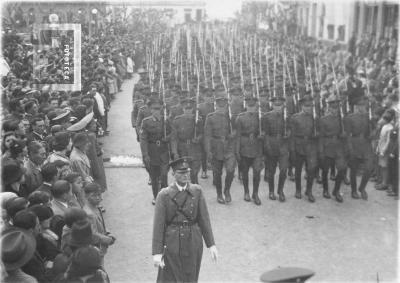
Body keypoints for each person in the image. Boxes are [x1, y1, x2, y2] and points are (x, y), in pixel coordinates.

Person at [152, 157, 218, 283]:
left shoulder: (197, 191)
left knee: (191, 277)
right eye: (181, 173)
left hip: (193, 241)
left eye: (187, 172)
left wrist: (211, 244)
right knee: (172, 277)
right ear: (173, 174)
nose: (185, 175)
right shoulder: (164, 195)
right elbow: (158, 225)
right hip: (173, 242)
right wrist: (157, 252)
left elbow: (204, 219)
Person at [204, 90, 236, 204]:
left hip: (229, 147)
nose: (221, 107)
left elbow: (236, 131)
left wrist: (233, 135)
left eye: (224, 105)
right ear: (216, 105)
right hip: (216, 147)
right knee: (217, 173)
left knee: (231, 170)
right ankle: (219, 194)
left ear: (227, 105)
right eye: (219, 105)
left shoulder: (231, 117)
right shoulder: (210, 117)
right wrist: (208, 151)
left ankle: (227, 190)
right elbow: (207, 136)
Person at [140, 97, 171, 204]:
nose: (156, 111)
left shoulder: (166, 120)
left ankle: (165, 195)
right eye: (154, 109)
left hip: (163, 151)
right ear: (150, 110)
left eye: (158, 108)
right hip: (152, 152)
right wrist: (145, 154)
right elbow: (143, 139)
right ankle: (156, 196)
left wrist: (168, 137)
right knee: (154, 177)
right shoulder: (146, 122)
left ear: (161, 109)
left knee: (164, 175)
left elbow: (173, 133)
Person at [318, 94, 348, 202]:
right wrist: (321, 150)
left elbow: (345, 133)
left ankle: (336, 190)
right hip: (327, 146)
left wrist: (344, 135)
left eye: (337, 107)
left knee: (342, 169)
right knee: (325, 170)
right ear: (328, 108)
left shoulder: (342, 120)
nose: (335, 110)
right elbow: (321, 136)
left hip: (339, 147)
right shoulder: (323, 120)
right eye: (333, 107)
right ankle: (325, 190)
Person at [235, 94, 264, 205]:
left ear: (256, 106)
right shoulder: (240, 117)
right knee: (245, 171)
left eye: (253, 106)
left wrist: (262, 135)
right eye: (249, 106)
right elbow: (237, 135)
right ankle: (246, 191)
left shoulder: (260, 117)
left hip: (257, 147)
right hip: (244, 147)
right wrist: (237, 150)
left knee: (257, 171)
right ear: (246, 105)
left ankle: (255, 193)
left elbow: (265, 132)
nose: (251, 108)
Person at [289, 94, 319, 203]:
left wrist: (317, 135)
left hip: (311, 146)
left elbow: (318, 133)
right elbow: (292, 135)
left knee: (311, 169)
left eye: (310, 106)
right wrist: (292, 149)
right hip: (299, 145)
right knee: (298, 169)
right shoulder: (295, 117)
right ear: (302, 106)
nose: (308, 108)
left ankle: (309, 190)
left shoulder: (315, 118)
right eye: (306, 106)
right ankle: (298, 190)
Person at [344, 96, 374, 200]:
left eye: (364, 105)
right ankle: (353, 190)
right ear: (356, 106)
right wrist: (350, 148)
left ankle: (362, 188)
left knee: (369, 168)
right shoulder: (350, 118)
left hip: (366, 144)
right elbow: (347, 135)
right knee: (353, 169)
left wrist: (373, 133)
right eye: (360, 105)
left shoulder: (369, 117)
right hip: (355, 143)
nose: (362, 107)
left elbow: (373, 131)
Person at [262, 96, 290, 202]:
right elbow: (265, 134)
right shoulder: (266, 117)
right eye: (276, 105)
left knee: (283, 169)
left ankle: (280, 190)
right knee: (271, 170)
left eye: (280, 105)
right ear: (272, 105)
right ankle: (271, 191)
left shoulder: (287, 117)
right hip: (272, 144)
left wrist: (288, 133)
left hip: (283, 145)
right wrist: (267, 147)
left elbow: (290, 130)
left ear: (283, 106)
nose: (278, 107)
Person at [170, 98, 203, 184]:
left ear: (193, 109)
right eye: (186, 109)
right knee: (184, 170)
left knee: (195, 170)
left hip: (194, 148)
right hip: (182, 148)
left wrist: (198, 138)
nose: (188, 111)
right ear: (183, 109)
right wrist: (175, 152)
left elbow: (202, 133)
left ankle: (194, 184)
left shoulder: (198, 120)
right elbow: (174, 138)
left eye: (190, 109)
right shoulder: (177, 120)